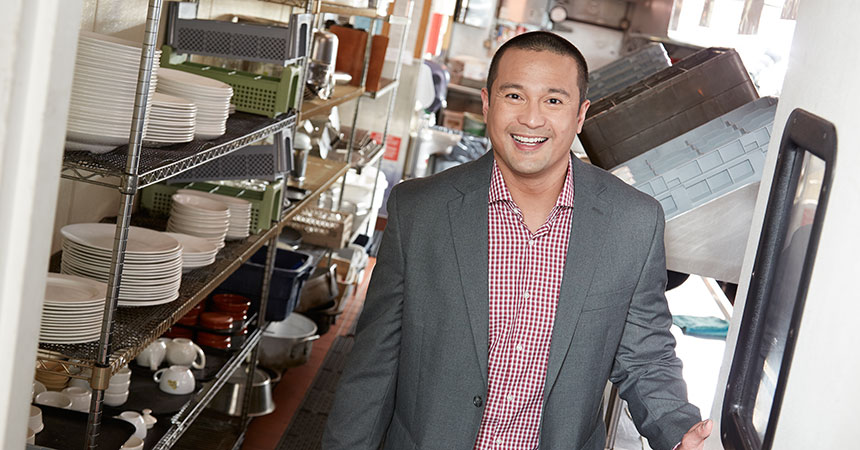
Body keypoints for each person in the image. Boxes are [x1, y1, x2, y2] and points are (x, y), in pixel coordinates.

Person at [322, 31, 712, 450]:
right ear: (488, 104)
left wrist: (677, 428)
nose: (531, 119)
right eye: (514, 96)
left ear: (580, 116)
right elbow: (374, 366)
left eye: (553, 101)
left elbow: (645, 354)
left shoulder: (632, 222)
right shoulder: (419, 212)